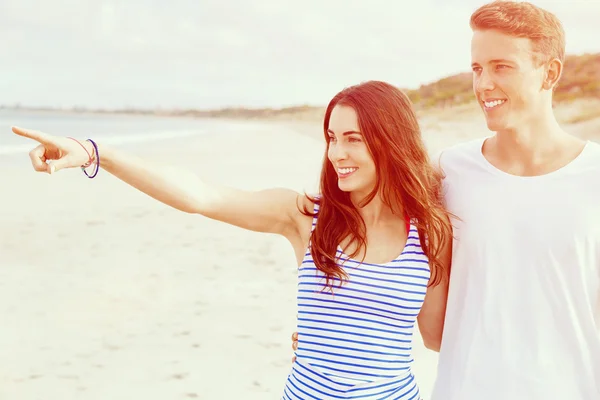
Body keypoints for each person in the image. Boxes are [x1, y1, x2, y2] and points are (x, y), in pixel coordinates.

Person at [13, 80, 453, 399]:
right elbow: (201, 196)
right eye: (332, 138)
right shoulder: (306, 216)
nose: (337, 152)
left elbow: (435, 337)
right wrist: (97, 153)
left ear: (390, 142)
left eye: (353, 139)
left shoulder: (430, 233)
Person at [295, 1, 600, 398]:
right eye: (477, 68)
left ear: (550, 72)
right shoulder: (448, 172)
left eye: (501, 66)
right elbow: (363, 220)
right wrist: (328, 331)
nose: (483, 83)